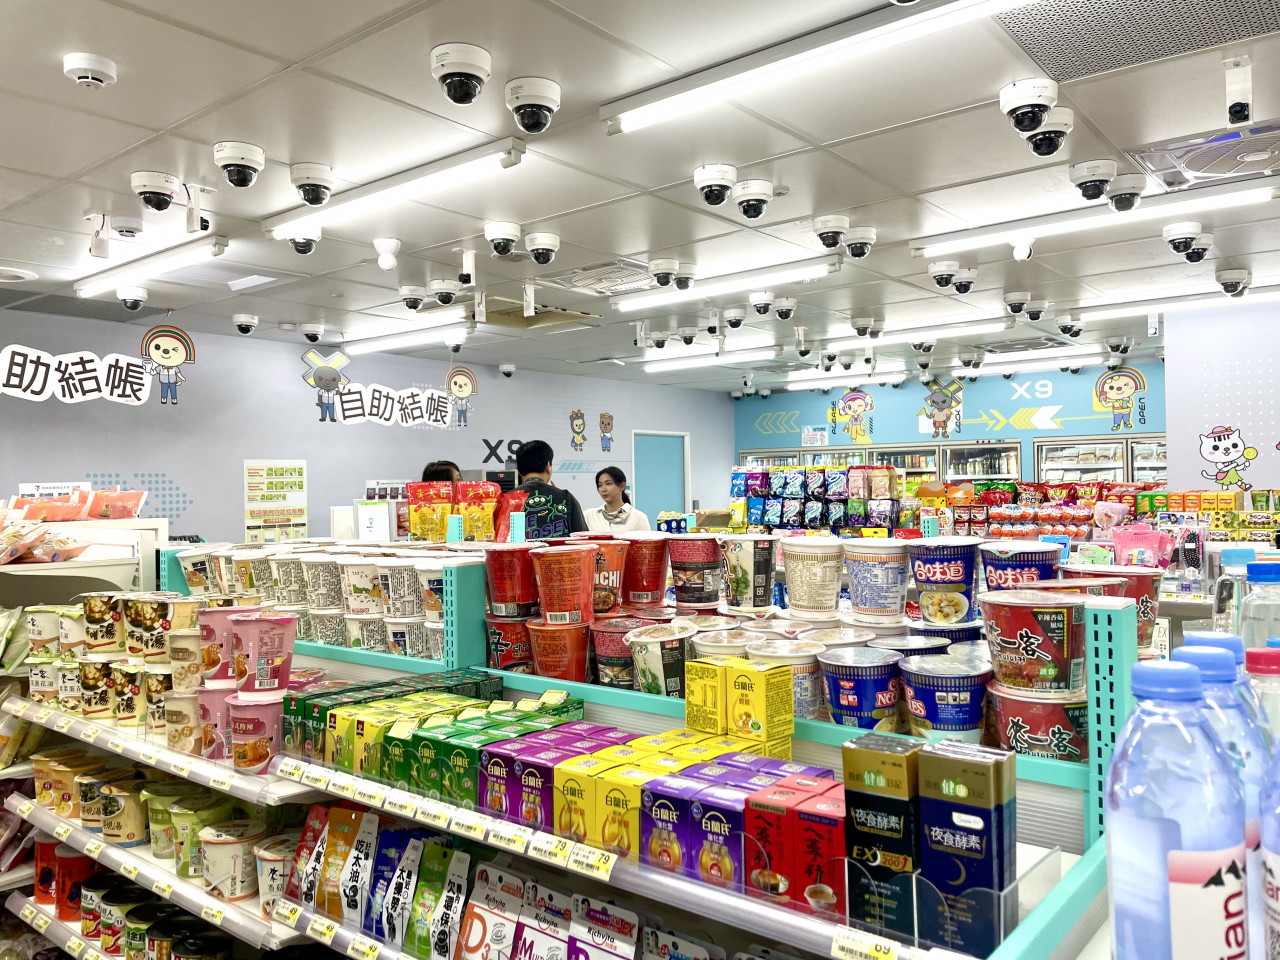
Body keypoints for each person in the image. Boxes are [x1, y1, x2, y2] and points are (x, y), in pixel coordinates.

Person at [513, 440, 587, 538]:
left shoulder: (507, 499)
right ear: (548, 466)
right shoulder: (565, 498)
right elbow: (583, 538)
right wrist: (557, 495)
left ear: (519, 471)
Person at [585, 467, 650, 532]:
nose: (603, 489)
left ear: (622, 486)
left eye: (608, 483)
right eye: (600, 485)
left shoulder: (638, 517)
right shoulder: (588, 515)